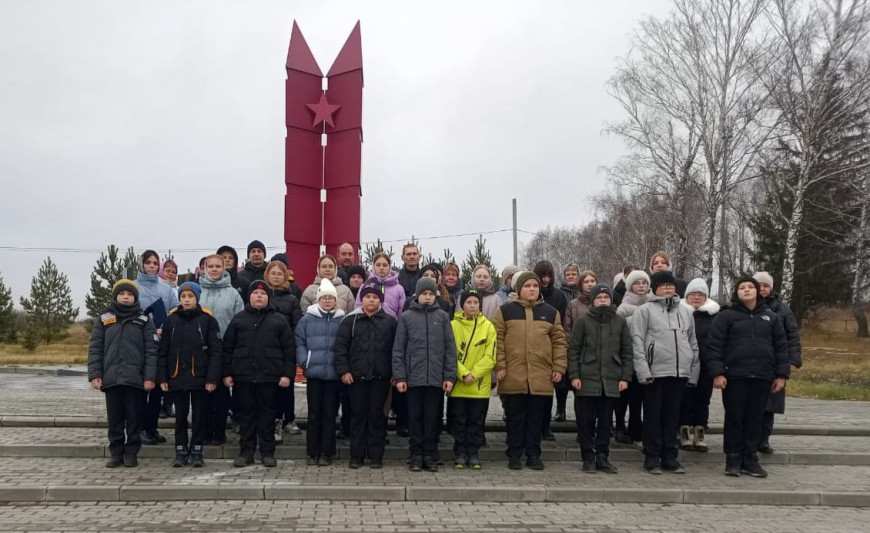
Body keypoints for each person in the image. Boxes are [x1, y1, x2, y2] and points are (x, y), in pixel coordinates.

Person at [706, 276, 790, 478]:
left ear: (757, 291)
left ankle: (750, 459)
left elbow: (781, 347)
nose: (746, 290)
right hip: (735, 377)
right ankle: (733, 459)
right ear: (736, 292)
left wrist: (781, 375)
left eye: (750, 287)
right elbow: (714, 346)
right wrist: (717, 373)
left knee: (755, 418)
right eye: (742, 287)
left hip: (762, 376)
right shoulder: (726, 316)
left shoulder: (771, 317)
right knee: (734, 417)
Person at [493, 271, 567, 471]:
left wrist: (559, 367)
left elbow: (559, 342)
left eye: (535, 286)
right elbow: (497, 340)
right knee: (515, 418)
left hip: (541, 375)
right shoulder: (505, 311)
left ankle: (533, 455)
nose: (532, 289)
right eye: (527, 286)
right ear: (519, 289)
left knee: (536, 418)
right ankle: (514, 454)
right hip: (513, 374)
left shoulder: (550, 312)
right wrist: (500, 366)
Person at [630, 270, 699, 475]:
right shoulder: (644, 311)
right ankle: (652, 456)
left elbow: (692, 343)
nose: (668, 288)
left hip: (679, 373)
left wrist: (692, 371)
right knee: (653, 416)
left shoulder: (686, 311)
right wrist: (643, 371)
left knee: (672, 416)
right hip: (655, 372)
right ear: (655, 288)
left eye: (671, 285)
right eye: (663, 285)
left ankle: (670, 456)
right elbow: (637, 342)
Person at [222, 280, 296, 468]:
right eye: (255, 293)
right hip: (243, 377)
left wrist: (287, 374)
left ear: (268, 298)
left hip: (270, 377)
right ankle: (246, 452)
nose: (259, 296)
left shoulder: (279, 320)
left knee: (267, 416)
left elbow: (289, 350)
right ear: (249, 297)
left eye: (263, 294)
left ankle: (267, 452)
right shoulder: (239, 319)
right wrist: (226, 373)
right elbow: (228, 348)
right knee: (245, 416)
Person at [87, 279, 158, 468]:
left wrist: (150, 376)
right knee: (115, 419)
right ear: (115, 296)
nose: (125, 297)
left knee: (134, 418)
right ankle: (116, 454)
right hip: (112, 378)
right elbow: (95, 348)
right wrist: (95, 374)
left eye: (129, 294)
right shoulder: (104, 319)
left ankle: (131, 454)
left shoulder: (144, 320)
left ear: (135, 298)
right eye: (122, 294)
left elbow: (152, 351)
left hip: (136, 379)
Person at [393, 277, 457, 472]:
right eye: (424, 294)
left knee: (432, 419)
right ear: (417, 295)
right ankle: (415, 454)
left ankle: (429, 454)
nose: (428, 297)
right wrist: (400, 376)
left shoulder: (443, 317)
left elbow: (450, 349)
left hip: (436, 378)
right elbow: (398, 349)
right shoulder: (406, 317)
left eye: (431, 294)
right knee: (414, 417)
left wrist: (449, 376)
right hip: (413, 378)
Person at [568, 284, 632, 474]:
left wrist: (625, 377)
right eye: (599, 297)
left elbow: (626, 351)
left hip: (610, 379)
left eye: (606, 297)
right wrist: (574, 375)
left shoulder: (620, 321)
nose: (603, 300)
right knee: (586, 421)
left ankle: (603, 456)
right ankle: (588, 457)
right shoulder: (582, 321)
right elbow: (574, 350)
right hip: (587, 378)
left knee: (605, 422)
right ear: (593, 300)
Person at [334, 281, 398, 469]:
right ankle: (357, 456)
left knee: (377, 417)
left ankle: (376, 456)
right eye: (368, 296)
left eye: (375, 297)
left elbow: (396, 350)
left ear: (381, 300)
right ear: (362, 299)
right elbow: (340, 348)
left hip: (381, 378)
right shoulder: (350, 321)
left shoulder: (390, 322)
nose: (371, 300)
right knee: (358, 416)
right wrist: (344, 371)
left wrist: (395, 373)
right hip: (356, 378)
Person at [157, 282, 222, 468]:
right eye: (183, 296)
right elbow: (163, 352)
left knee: (199, 416)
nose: (186, 300)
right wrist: (163, 377)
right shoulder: (171, 321)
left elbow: (216, 352)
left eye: (190, 296)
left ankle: (197, 449)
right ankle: (180, 449)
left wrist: (212, 378)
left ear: (197, 298)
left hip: (200, 377)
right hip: (177, 376)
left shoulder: (208, 321)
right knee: (180, 416)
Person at [295, 278, 346, 466]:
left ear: (335, 300)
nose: (327, 301)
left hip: (333, 375)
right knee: (314, 414)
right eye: (324, 298)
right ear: (318, 299)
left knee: (330, 415)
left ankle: (327, 452)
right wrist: (305, 361)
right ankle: (312, 452)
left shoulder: (342, 320)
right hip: (314, 374)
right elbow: (299, 342)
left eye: (330, 298)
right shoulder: (306, 320)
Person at [753, 271, 802, 455]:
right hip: (752, 362)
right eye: (759, 285)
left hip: (774, 364)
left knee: (770, 405)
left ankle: (763, 439)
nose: (762, 289)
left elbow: (793, 336)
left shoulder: (782, 310)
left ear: (771, 288)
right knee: (751, 404)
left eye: (766, 285)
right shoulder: (745, 307)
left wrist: (793, 361)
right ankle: (749, 438)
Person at [198, 254, 244, 446]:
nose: (215, 269)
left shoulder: (233, 294)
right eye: (211, 266)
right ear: (205, 268)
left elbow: (239, 321)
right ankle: (204, 432)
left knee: (222, 394)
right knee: (202, 394)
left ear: (224, 268)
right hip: (200, 351)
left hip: (225, 349)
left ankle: (219, 433)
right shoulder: (197, 291)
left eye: (218, 266)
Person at [450, 288, 497, 469]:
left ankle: (473, 452)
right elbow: (449, 353)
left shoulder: (488, 327)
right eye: (468, 302)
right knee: (459, 420)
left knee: (476, 421)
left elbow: (490, 356)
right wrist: (463, 373)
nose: (472, 305)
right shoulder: (453, 325)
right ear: (462, 305)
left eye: (475, 302)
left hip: (479, 385)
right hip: (459, 384)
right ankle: (460, 452)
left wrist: (474, 374)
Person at [136, 250, 179, 445]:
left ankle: (151, 428)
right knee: (140, 391)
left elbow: (175, 311)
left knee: (156, 392)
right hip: (140, 346)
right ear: (142, 264)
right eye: (148, 263)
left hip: (161, 346)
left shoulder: (166, 289)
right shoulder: (134, 287)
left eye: (155, 263)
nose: (152, 266)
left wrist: (166, 326)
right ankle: (139, 429)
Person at [678, 278, 720, 453]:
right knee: (684, 398)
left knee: (703, 398)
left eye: (700, 294)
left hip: (706, 363)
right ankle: (684, 430)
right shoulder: (679, 312)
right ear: (687, 296)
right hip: (684, 363)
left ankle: (700, 430)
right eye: (693, 294)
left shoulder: (714, 316)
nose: (696, 297)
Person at [264, 260, 304, 442]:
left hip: (285, 350)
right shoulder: (261, 295)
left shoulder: (292, 299)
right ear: (267, 275)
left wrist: (293, 347)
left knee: (286, 387)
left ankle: (288, 419)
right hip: (265, 350)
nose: (276, 277)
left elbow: (297, 325)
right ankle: (272, 422)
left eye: (280, 274)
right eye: (273, 273)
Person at [614, 269, 651, 448]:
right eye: (637, 283)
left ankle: (645, 432)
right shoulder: (623, 308)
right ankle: (627, 429)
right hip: (629, 358)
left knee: (648, 399)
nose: (641, 286)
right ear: (630, 286)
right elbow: (618, 334)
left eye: (644, 283)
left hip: (649, 359)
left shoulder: (653, 304)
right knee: (630, 398)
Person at [534, 261, 569, 437]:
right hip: (534, 345)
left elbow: (562, 323)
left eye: (549, 276)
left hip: (552, 344)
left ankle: (546, 427)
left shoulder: (559, 296)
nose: (546, 280)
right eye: (543, 276)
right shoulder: (532, 293)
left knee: (549, 389)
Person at [356, 252, 406, 318]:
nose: (381, 268)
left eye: (385, 265)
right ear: (373, 266)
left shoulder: (399, 289)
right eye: (378, 265)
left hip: (391, 323)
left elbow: (402, 314)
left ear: (389, 267)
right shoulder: (365, 286)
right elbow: (358, 309)